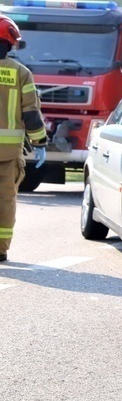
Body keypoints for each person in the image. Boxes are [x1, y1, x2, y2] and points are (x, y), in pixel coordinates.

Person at [0, 15, 47, 262]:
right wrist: (39, 143)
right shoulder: (21, 73)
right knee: (5, 201)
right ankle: (0, 248)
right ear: (10, 43)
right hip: (7, 154)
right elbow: (31, 114)